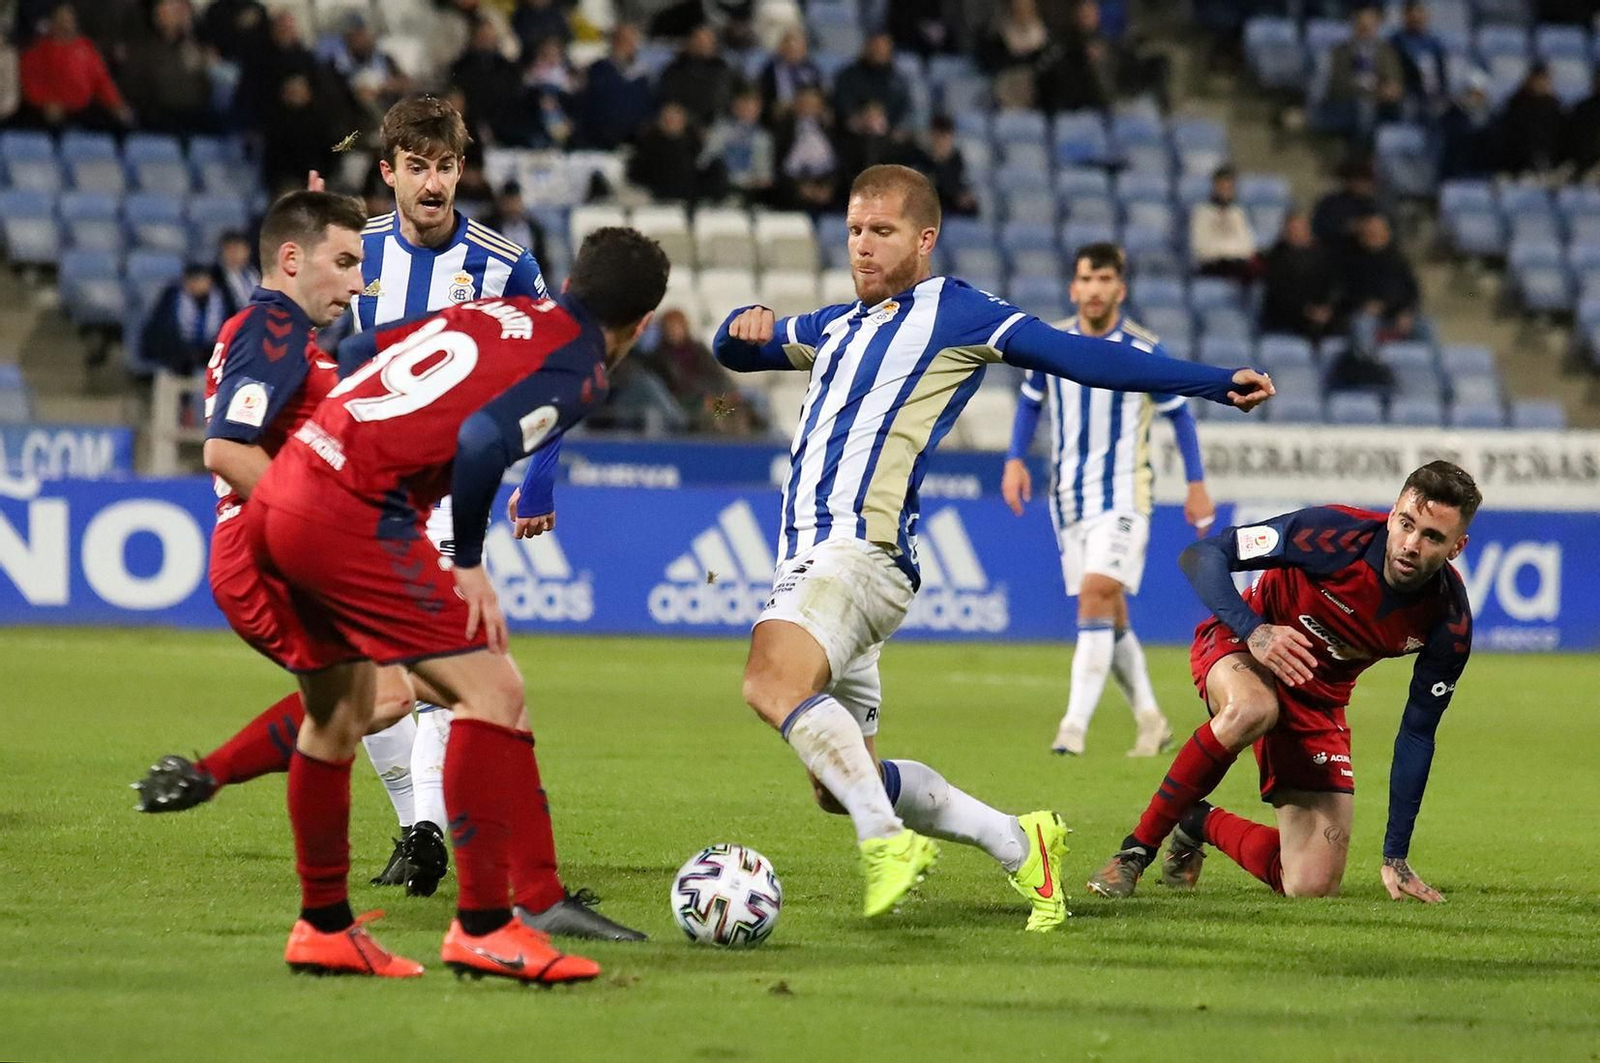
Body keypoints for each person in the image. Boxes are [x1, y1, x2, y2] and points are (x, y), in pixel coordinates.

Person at [711, 164, 1273, 928]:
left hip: (852, 549)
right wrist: (738, 322)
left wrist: (1208, 382)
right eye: (853, 230)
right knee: (840, 779)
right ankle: (1018, 843)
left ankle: (887, 842)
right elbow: (740, 351)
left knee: (768, 681)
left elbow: (1080, 355)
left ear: (925, 238)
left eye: (883, 231)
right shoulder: (835, 328)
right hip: (837, 565)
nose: (863, 246)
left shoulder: (954, 310)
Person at [239, 225, 668, 979]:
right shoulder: (580, 367)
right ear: (638, 324)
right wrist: (468, 561)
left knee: (341, 710)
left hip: (284, 490)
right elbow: (478, 441)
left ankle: (325, 926)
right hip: (348, 514)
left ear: (572, 282)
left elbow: (358, 353)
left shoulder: (491, 315)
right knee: (492, 690)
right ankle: (484, 924)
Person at [1085, 462, 1478, 905]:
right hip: (1240, 644)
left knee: (1312, 885)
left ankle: (1196, 820)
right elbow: (1203, 555)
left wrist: (1396, 855)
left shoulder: (1449, 621)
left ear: (1456, 547)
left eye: (1432, 537)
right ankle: (1134, 852)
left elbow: (1417, 734)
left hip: (1317, 700)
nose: (1410, 544)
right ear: (1391, 514)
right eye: (1406, 524)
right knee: (1254, 707)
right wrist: (1256, 631)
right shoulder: (1331, 535)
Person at [1002, 243, 1214, 759]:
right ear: (1074, 288)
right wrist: (1014, 459)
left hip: (1124, 494)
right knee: (1108, 610)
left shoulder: (1144, 351)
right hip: (1068, 497)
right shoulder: (1048, 344)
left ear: (1119, 288)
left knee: (1097, 591)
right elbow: (1031, 404)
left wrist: (1195, 482)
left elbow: (1179, 416)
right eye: (1085, 280)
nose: (1094, 290)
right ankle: (1151, 718)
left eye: (1103, 280)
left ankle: (1072, 729)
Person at [17, 2, 132, 130]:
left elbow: (102, 81)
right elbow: (29, 82)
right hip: (48, 112)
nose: (65, 23)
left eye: (68, 19)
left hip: (83, 110)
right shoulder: (37, 50)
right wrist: (45, 102)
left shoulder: (87, 48)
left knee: (122, 123)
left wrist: (116, 104)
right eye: (61, 19)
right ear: (52, 22)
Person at [1319, 5, 1403, 145]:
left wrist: (1393, 88)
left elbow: (1395, 78)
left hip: (1382, 103)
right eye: (1363, 26)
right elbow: (1338, 85)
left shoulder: (1386, 51)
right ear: (1355, 27)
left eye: (1370, 26)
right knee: (1365, 108)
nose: (1367, 31)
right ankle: (1360, 156)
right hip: (1348, 103)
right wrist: (1375, 92)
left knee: (1404, 108)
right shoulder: (1340, 51)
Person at [1341, 213, 1423, 351]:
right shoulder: (1353, 262)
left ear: (1387, 234)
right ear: (1362, 235)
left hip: (1396, 315)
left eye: (1378, 231)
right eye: (1370, 231)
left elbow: (1413, 292)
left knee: (1426, 327)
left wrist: (1407, 311)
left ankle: (1439, 371)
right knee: (1363, 324)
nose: (1374, 234)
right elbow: (1346, 293)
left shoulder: (1399, 261)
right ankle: (1370, 368)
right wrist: (1365, 305)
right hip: (1366, 316)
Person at [1259, 211, 1339, 342]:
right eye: (1291, 229)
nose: (1295, 233)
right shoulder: (1275, 257)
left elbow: (1333, 284)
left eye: (1299, 228)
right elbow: (1279, 291)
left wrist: (1327, 308)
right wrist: (1307, 310)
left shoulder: (1324, 255)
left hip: (1321, 314)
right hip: (1286, 316)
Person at [140, 263, 228, 376]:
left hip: (209, 357)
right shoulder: (171, 298)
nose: (199, 284)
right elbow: (160, 332)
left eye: (202, 280)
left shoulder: (220, 299)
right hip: (174, 360)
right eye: (194, 279)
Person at [703, 85, 774, 206]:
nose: (748, 109)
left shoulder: (762, 137)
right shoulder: (721, 130)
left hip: (749, 192)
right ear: (735, 106)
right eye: (744, 104)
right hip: (722, 188)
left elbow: (764, 175)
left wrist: (759, 181)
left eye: (753, 106)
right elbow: (706, 161)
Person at [1188, 165, 1259, 283]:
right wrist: (1227, 252)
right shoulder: (1201, 212)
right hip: (1212, 266)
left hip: (1238, 265)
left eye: (1229, 186)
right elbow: (1200, 248)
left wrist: (1231, 253)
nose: (1226, 190)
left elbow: (1248, 246)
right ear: (1215, 186)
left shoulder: (1239, 213)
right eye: (1222, 185)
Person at [833, 32, 913, 133]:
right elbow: (842, 104)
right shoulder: (848, 74)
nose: (880, 51)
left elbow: (901, 108)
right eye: (876, 46)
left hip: (887, 131)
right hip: (854, 131)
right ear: (867, 47)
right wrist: (863, 115)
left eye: (884, 47)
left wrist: (883, 119)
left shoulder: (897, 79)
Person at [1498, 62, 1564, 176]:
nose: (1541, 83)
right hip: (1518, 166)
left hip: (1549, 165)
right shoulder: (1516, 105)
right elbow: (1507, 138)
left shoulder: (1555, 107)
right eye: (1537, 79)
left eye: (1544, 79)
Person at [1389, 1, 1448, 121]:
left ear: (1427, 15)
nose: (1416, 17)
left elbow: (1442, 75)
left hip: (1433, 94)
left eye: (1420, 12)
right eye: (1412, 13)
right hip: (1408, 94)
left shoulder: (1434, 43)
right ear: (1405, 16)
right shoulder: (1396, 42)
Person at [758, 25, 822, 124]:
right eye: (788, 45)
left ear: (804, 48)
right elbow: (764, 98)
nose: (792, 48)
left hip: (809, 114)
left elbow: (819, 95)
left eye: (797, 45)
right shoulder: (770, 70)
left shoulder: (812, 70)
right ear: (780, 48)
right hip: (781, 118)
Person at [213, 231, 262, 318]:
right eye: (229, 249)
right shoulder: (215, 277)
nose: (233, 254)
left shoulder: (255, 272)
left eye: (237, 249)